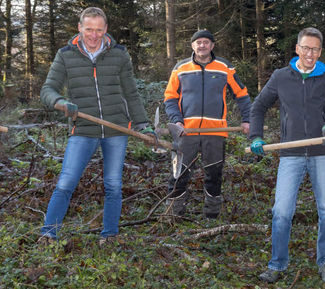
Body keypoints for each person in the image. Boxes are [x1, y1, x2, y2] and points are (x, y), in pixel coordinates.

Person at [39, 7, 155, 245]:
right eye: (89, 29)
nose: (93, 35)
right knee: (66, 182)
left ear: (106, 30)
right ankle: (49, 235)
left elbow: (131, 93)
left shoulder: (119, 55)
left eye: (99, 30)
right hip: (82, 128)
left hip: (115, 129)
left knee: (113, 184)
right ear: (79, 28)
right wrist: (60, 102)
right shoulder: (65, 55)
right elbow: (47, 90)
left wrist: (143, 125)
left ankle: (110, 235)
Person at [248, 27, 325, 284]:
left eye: (315, 49)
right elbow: (258, 107)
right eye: (306, 48)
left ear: (320, 51)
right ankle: (277, 264)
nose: (310, 53)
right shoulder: (281, 76)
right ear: (297, 49)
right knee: (281, 211)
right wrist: (256, 137)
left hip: (322, 153)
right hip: (290, 152)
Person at [163, 30, 251, 219]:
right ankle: (173, 214)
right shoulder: (181, 68)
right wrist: (176, 120)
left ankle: (211, 216)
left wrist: (247, 120)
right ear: (192, 46)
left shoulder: (224, 67)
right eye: (198, 42)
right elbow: (170, 98)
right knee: (180, 173)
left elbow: (242, 95)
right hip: (186, 132)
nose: (202, 45)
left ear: (212, 46)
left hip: (216, 131)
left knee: (214, 173)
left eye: (206, 42)